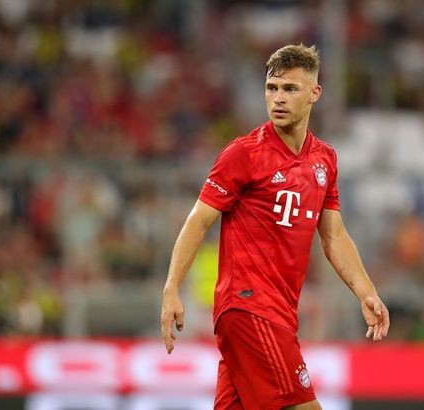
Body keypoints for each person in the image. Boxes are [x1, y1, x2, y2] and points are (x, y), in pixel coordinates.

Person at [160, 44, 390, 410]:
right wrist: (172, 287)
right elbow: (198, 221)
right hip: (249, 307)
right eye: (272, 87)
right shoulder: (244, 153)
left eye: (290, 89)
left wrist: (366, 292)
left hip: (280, 314)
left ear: (314, 93)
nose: (278, 98)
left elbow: (334, 235)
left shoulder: (325, 160)